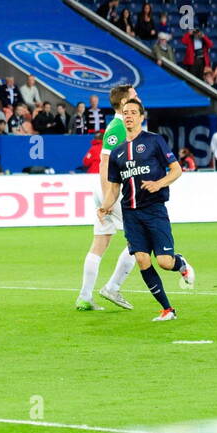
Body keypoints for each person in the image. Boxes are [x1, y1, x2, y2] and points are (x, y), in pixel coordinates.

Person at [100, 97, 194, 321]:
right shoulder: (117, 152)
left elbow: (176, 170)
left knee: (164, 262)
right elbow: (114, 187)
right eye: (126, 112)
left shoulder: (154, 141)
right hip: (131, 213)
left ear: (141, 117)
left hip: (154, 209)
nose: (129, 116)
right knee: (142, 259)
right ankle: (167, 310)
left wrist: (159, 183)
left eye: (133, 112)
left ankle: (180, 263)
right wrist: (105, 206)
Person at [77, 85, 139, 311]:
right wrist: (108, 199)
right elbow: (104, 163)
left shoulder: (124, 125)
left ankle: (84, 297)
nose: (138, 98)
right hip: (113, 191)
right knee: (140, 239)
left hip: (109, 190)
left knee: (100, 242)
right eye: (134, 96)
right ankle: (113, 287)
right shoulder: (118, 127)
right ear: (124, 103)